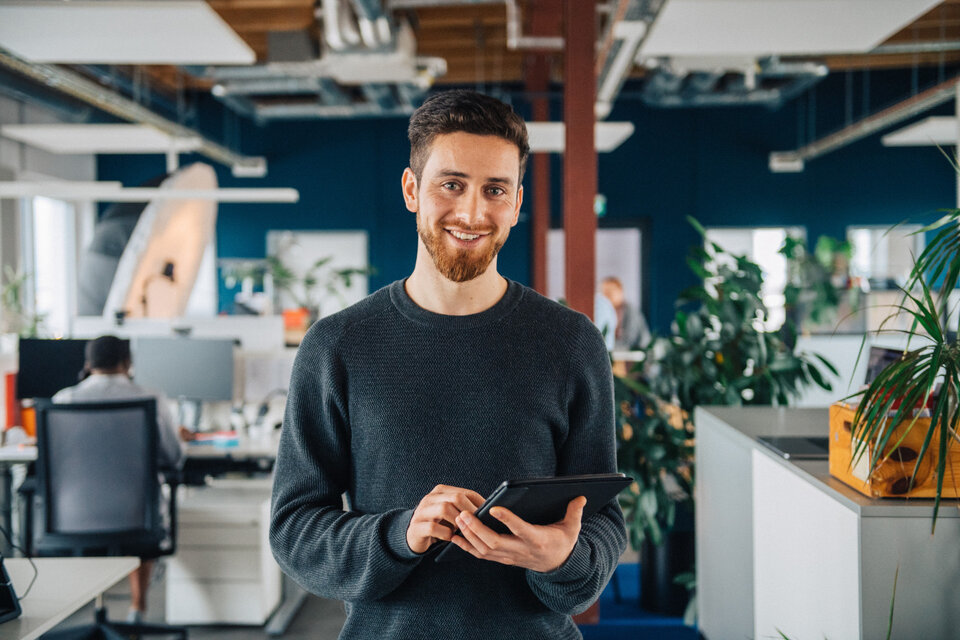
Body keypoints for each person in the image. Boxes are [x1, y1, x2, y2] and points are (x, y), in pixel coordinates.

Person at [270, 90, 626, 639]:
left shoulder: (570, 342)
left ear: (515, 203)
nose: (472, 213)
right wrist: (398, 536)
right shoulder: (338, 345)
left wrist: (563, 558)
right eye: (451, 184)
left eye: (495, 190)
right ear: (413, 190)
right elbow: (295, 529)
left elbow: (600, 520)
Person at [52, 335, 184, 623]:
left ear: (88, 364)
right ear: (128, 363)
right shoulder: (149, 397)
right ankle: (138, 608)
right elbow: (173, 457)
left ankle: (89, 614)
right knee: (139, 507)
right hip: (136, 516)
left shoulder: (64, 399)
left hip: (74, 517)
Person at [601, 276, 651, 350]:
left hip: (638, 355)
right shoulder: (606, 312)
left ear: (621, 291)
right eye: (605, 292)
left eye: (611, 291)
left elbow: (629, 340)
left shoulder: (630, 311)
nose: (607, 295)